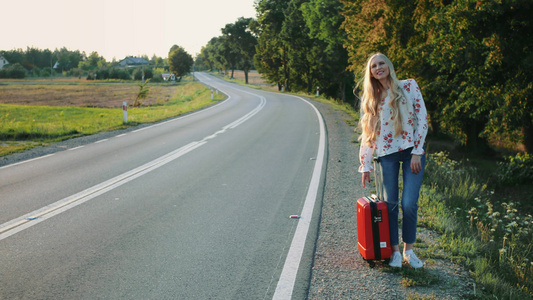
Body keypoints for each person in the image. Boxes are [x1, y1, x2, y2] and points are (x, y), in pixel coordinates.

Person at [358, 53, 428, 268]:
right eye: (374, 66)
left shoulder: (409, 86)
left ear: (389, 65)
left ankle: (409, 251)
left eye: (381, 64)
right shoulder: (371, 99)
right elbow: (369, 133)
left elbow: (422, 117)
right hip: (387, 154)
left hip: (411, 153)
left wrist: (417, 151)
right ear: (370, 72)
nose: (378, 68)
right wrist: (366, 165)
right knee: (389, 205)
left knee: (409, 204)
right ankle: (394, 252)